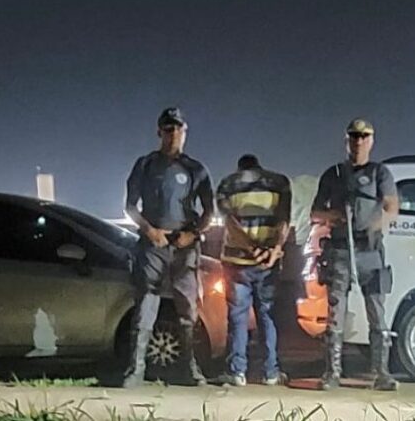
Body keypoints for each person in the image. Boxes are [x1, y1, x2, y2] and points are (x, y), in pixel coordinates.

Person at [122, 107, 214, 388]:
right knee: (145, 308)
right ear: (159, 132)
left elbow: (209, 212)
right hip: (153, 245)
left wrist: (193, 234)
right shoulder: (145, 165)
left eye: (178, 129)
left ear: (185, 132)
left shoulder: (196, 169)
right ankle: (135, 370)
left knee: (188, 311)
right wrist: (149, 231)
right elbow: (130, 206)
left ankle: (190, 368)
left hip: (185, 247)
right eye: (168, 129)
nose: (173, 134)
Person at [311, 118, 399, 391]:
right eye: (353, 136)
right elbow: (315, 212)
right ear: (347, 140)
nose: (358, 141)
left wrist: (374, 225)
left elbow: (392, 207)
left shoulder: (379, 173)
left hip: (369, 251)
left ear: (371, 140)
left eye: (363, 136)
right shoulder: (334, 174)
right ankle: (332, 372)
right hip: (340, 251)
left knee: (377, 312)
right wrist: (334, 216)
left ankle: (381, 373)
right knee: (335, 314)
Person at [216, 154, 291, 386]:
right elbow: (284, 221)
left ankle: (237, 371)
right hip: (268, 263)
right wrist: (275, 249)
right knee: (267, 315)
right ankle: (271, 372)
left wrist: (251, 248)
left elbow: (231, 224)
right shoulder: (279, 183)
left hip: (237, 262)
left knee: (238, 317)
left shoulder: (227, 184)